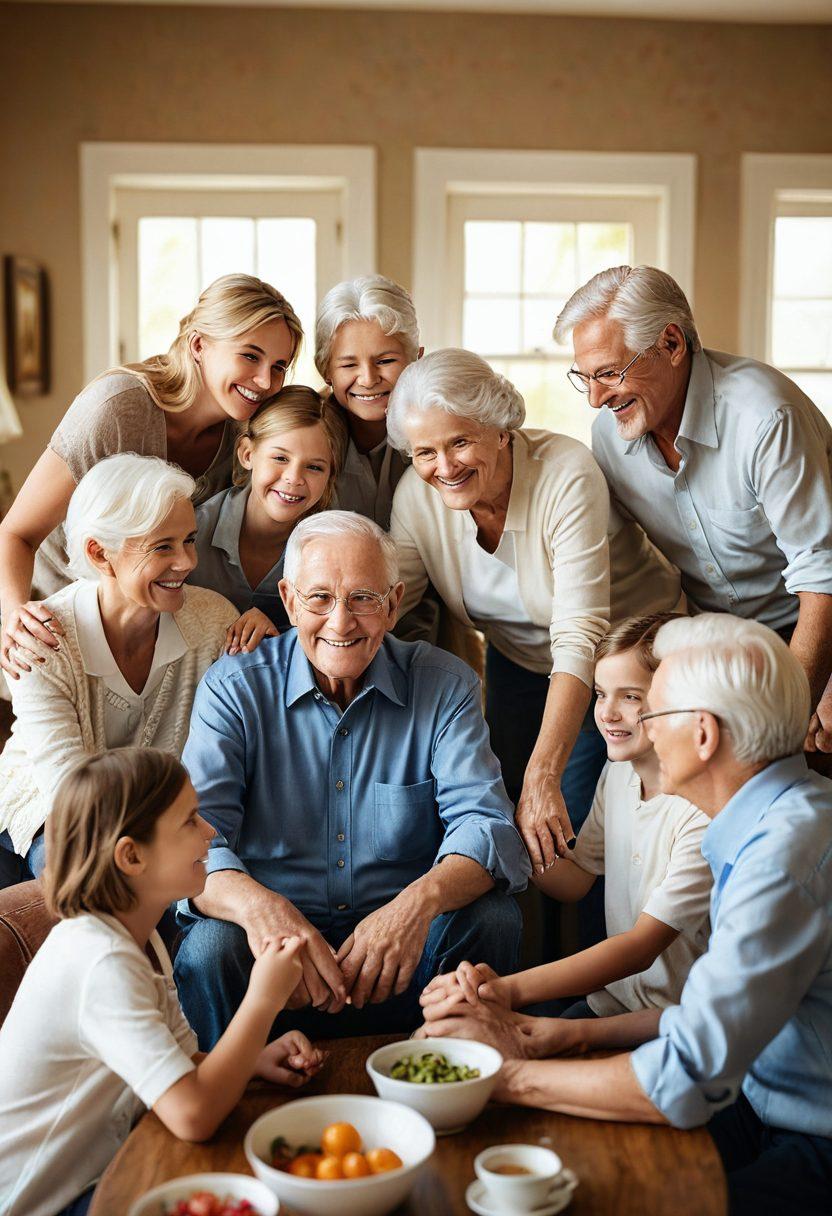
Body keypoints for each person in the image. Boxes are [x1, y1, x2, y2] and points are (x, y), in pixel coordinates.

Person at [418, 615, 832, 1216]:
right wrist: (563, 1033)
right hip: (757, 1096)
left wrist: (505, 1075)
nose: (639, 730)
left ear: (703, 735)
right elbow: (709, 1018)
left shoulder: (780, 858)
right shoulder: (772, 822)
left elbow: (686, 1078)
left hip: (809, 1131)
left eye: (654, 714)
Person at [173, 511, 530, 1049]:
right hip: (279, 963)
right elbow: (196, 837)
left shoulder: (444, 683)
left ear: (393, 602)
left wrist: (415, 906)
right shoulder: (234, 687)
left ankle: (456, 1088)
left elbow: (486, 826)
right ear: (290, 601)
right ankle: (229, 1102)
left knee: (493, 919)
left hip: (406, 955)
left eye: (363, 597)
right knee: (209, 948)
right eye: (319, 599)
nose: (341, 623)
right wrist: (265, 912)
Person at [386, 348, 683, 874]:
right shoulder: (417, 496)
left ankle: (598, 949)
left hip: (618, 661)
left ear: (500, 430)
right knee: (505, 816)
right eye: (425, 451)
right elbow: (388, 605)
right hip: (517, 660)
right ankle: (525, 954)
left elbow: (579, 634)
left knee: (580, 835)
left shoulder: (565, 472)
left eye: (460, 442)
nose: (444, 466)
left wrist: (543, 774)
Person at [0, 748, 324, 1216]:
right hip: (43, 1203)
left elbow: (183, 1066)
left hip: (98, 1174)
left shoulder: (141, 938)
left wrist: (254, 1059)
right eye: (190, 820)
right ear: (131, 856)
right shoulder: (100, 960)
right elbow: (193, 1115)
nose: (211, 831)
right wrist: (263, 999)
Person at [554, 264, 832, 755]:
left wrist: (798, 707)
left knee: (799, 765)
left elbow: (822, 575)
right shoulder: (610, 438)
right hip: (715, 639)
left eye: (609, 373)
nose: (596, 398)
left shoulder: (764, 417)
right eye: (585, 378)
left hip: (814, 621)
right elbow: (614, 563)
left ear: (672, 343)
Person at [0, 272, 302, 680]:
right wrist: (15, 615)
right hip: (55, 616)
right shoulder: (117, 409)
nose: (265, 382)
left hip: (147, 623)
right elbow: (16, 533)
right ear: (199, 344)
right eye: (250, 356)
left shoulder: (245, 431)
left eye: (279, 366)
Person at [420, 613, 712, 1024]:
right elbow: (576, 880)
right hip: (612, 1003)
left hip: (676, 1022)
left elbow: (641, 947)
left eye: (630, 697)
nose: (607, 712)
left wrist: (506, 988)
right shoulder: (619, 774)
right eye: (600, 693)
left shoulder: (702, 813)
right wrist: (509, 824)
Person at [0, 454, 243, 888]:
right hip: (49, 809)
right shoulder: (42, 639)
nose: (187, 561)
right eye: (162, 546)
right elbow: (68, 791)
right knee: (91, 875)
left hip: (158, 821)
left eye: (189, 540)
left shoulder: (214, 621)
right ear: (99, 553)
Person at [189, 385, 348, 650]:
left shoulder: (336, 548)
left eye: (314, 467)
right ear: (247, 454)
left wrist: (284, 628)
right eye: (280, 457)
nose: (293, 478)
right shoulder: (194, 530)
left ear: (330, 477)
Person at [314, 274, 422, 529]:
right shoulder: (305, 435)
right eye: (349, 364)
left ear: (416, 359)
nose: (368, 379)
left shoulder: (437, 431)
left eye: (385, 361)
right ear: (326, 370)